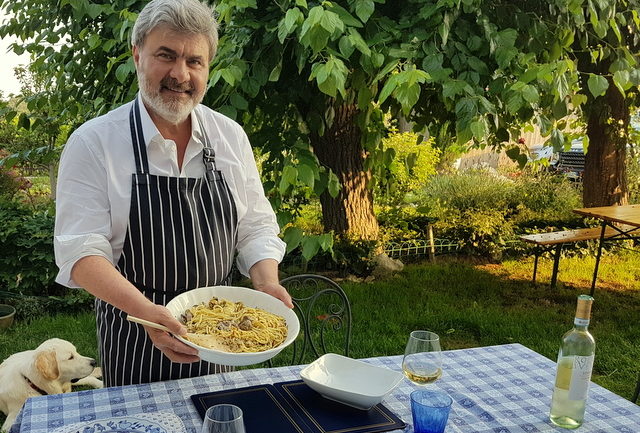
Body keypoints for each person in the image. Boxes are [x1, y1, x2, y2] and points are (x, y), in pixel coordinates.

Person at [53, 0, 292, 388]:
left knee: (217, 421)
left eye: (194, 61)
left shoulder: (230, 137)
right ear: (137, 55)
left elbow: (255, 225)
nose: (180, 74)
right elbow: (80, 252)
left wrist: (265, 283)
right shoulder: (93, 142)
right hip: (135, 334)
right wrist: (148, 312)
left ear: (208, 68)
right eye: (166, 55)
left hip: (222, 334)